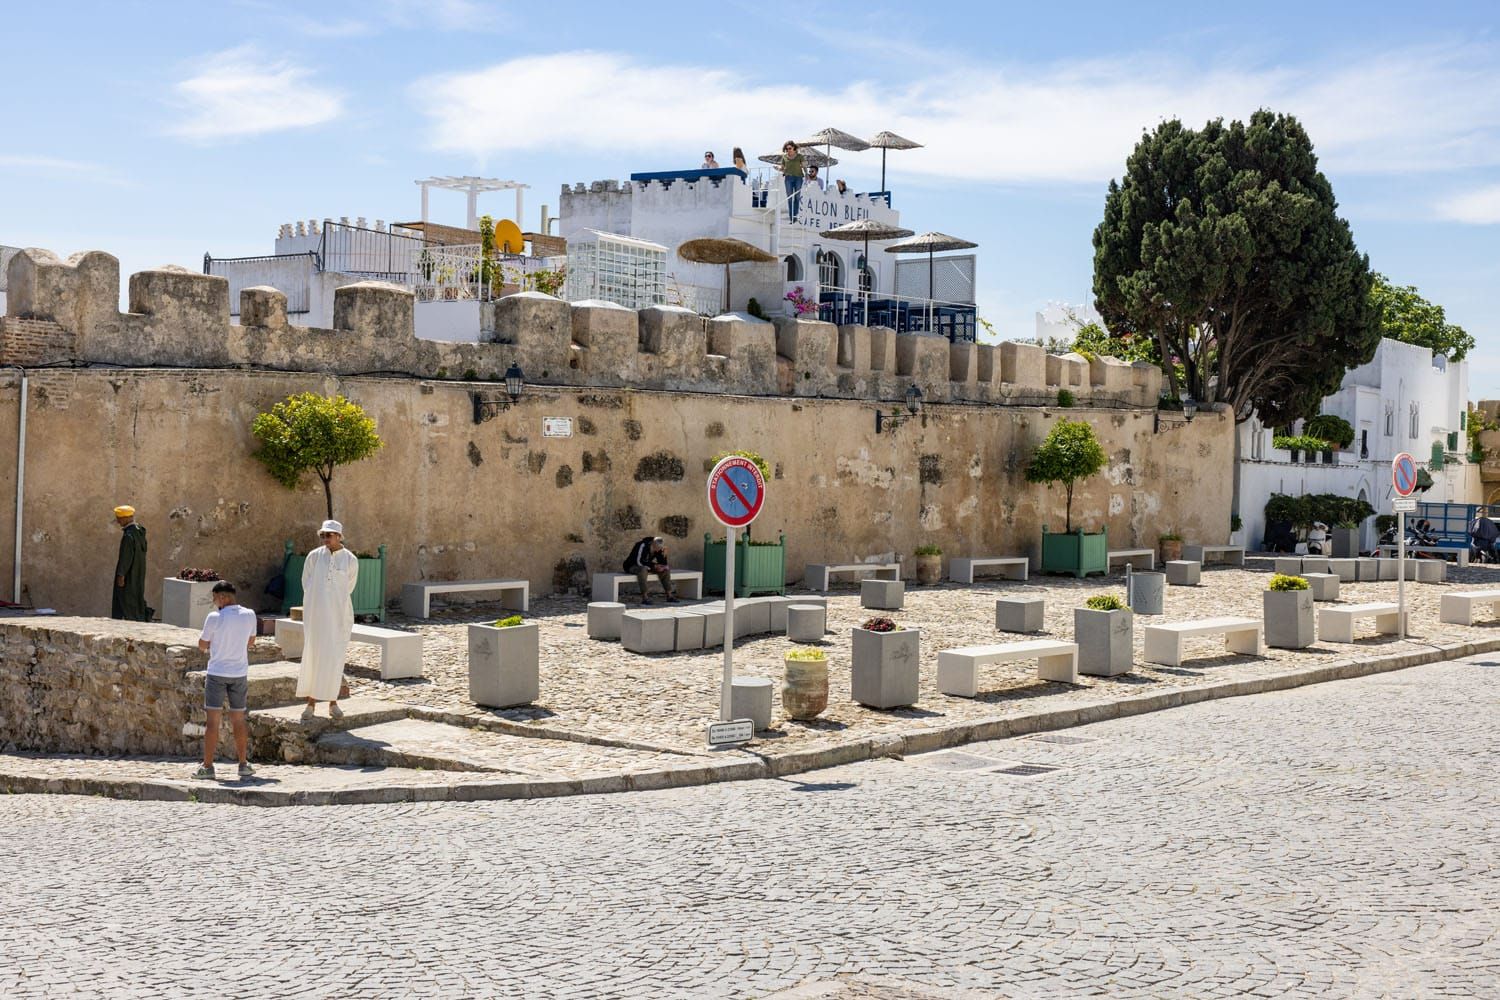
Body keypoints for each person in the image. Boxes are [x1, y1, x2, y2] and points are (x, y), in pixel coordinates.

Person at [193, 581, 258, 781]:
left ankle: (207, 767)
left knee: (213, 721)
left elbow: (202, 645)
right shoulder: (250, 614)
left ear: (223, 597)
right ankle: (243, 764)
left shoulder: (214, 617)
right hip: (239, 673)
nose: (215, 603)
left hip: (217, 673)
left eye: (215, 599)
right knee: (239, 719)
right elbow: (251, 641)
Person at [296, 519, 358, 721]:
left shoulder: (350, 560)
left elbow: (349, 587)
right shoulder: (314, 556)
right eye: (323, 535)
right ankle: (310, 704)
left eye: (329, 535)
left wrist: (332, 602)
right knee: (314, 654)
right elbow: (306, 583)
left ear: (339, 536)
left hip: (338, 616)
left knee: (335, 657)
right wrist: (319, 602)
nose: (325, 538)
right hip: (316, 615)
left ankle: (333, 703)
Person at [112, 504, 150, 621]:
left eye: (119, 519)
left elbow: (126, 556)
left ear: (126, 518)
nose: (118, 522)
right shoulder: (139, 532)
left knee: (125, 599)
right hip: (138, 573)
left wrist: (121, 575)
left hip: (129, 575)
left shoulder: (129, 535)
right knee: (136, 597)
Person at [623, 535, 677, 605]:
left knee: (665, 570)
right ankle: (645, 598)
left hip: (646, 566)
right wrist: (653, 566)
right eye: (657, 548)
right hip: (632, 566)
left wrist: (664, 556)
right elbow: (639, 561)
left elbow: (663, 563)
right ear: (653, 544)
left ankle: (669, 596)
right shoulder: (642, 545)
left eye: (660, 548)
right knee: (643, 570)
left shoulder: (659, 548)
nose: (658, 550)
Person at [779, 140, 805, 222]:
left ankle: (795, 217)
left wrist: (807, 175)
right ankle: (792, 219)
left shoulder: (800, 156)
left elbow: (804, 166)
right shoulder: (784, 157)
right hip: (788, 178)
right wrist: (778, 168)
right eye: (786, 149)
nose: (788, 150)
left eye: (789, 148)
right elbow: (782, 168)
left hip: (798, 178)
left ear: (794, 148)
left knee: (797, 197)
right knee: (790, 198)